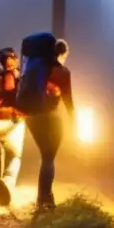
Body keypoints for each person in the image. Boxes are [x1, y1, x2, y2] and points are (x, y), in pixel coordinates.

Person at [25, 38, 74, 212]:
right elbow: (68, 99)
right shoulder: (62, 72)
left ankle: (45, 197)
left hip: (31, 117)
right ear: (62, 54)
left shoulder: (36, 68)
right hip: (49, 118)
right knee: (48, 157)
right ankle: (43, 199)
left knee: (45, 155)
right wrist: (74, 121)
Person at [0, 47, 24, 207]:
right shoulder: (13, 75)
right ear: (13, 58)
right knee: (14, 156)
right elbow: (11, 91)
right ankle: (6, 185)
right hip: (11, 118)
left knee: (1, 152)